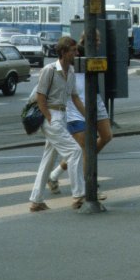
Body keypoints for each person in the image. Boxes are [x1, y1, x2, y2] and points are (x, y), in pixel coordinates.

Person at [48, 36, 112, 199]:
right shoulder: (71, 60)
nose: (98, 42)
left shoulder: (92, 59)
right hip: (75, 110)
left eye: (99, 39)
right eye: (94, 38)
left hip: (94, 102)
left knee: (106, 136)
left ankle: (55, 174)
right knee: (86, 148)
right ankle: (90, 187)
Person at [28, 36, 86, 212]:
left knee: (48, 159)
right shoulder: (50, 70)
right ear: (63, 52)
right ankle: (79, 195)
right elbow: (40, 96)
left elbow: (74, 97)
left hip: (62, 115)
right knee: (75, 151)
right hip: (52, 116)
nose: (76, 53)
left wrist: (88, 117)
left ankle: (36, 200)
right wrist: (49, 117)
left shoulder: (71, 73)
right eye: (73, 51)